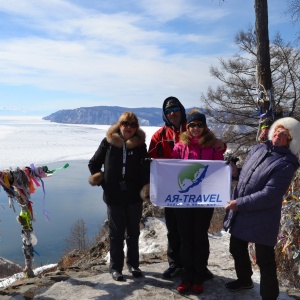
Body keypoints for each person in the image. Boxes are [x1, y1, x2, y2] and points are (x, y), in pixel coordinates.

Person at [148, 96, 225, 279]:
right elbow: (152, 160)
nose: (172, 113)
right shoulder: (159, 135)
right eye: (168, 111)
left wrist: (223, 145)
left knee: (197, 232)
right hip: (172, 190)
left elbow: (214, 146)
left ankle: (198, 267)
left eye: (175, 109)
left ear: (181, 111)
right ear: (165, 115)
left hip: (199, 192)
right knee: (174, 229)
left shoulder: (193, 126)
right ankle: (176, 264)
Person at [223, 117, 300, 300]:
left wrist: (239, 203)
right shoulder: (259, 149)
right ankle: (244, 280)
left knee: (265, 260)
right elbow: (249, 176)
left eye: (285, 135)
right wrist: (236, 173)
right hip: (243, 211)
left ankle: (269, 296)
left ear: (291, 141)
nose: (279, 135)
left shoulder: (286, 163)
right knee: (236, 248)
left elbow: (269, 195)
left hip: (263, 217)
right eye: (278, 130)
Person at [88, 112, 149, 282]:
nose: (128, 127)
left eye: (132, 124)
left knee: (134, 233)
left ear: (136, 128)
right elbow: (93, 163)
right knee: (116, 234)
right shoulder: (108, 143)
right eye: (125, 123)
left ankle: (133, 264)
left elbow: (145, 169)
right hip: (113, 196)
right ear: (119, 125)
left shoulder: (140, 145)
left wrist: (146, 188)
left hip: (134, 197)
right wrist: (101, 179)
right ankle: (116, 268)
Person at [171, 109, 224, 294]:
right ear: (187, 126)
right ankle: (187, 275)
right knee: (185, 238)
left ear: (205, 127)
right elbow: (172, 171)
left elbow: (219, 171)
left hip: (204, 201)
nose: (195, 128)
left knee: (200, 238)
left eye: (199, 125)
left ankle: (199, 275)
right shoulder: (179, 146)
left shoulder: (213, 147)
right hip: (183, 202)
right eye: (192, 125)